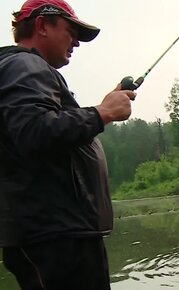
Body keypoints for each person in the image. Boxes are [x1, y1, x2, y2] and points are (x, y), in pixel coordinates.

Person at [0, 0, 136, 289]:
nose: (76, 41)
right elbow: (35, 130)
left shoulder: (22, 69)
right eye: (70, 31)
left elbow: (46, 134)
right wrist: (103, 113)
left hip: (58, 235)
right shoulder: (25, 64)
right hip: (54, 238)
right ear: (41, 25)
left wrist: (102, 111)